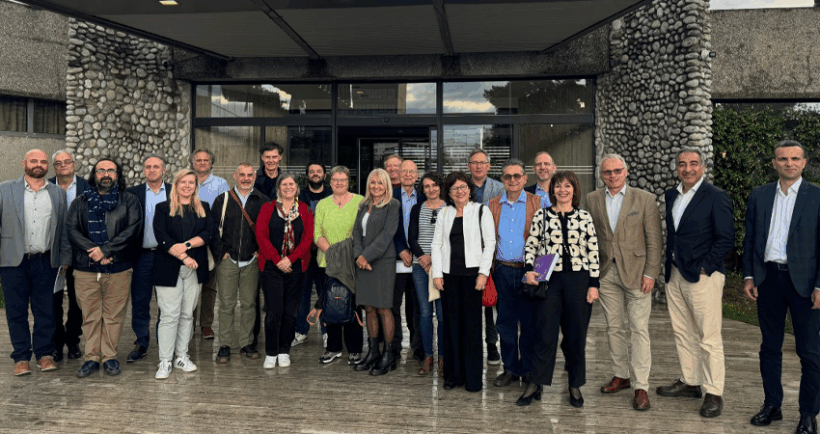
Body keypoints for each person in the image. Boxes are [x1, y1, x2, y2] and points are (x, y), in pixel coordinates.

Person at [743, 140, 820, 434]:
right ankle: (772, 405)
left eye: (795, 159)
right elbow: (751, 238)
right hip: (768, 279)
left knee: (809, 352)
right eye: (783, 158)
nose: (789, 163)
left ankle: (808, 414)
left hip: (805, 284)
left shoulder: (816, 196)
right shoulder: (760, 195)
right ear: (774, 163)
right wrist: (749, 275)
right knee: (769, 347)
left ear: (804, 163)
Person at [657, 148, 733, 418]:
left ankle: (713, 392)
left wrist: (705, 267)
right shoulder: (672, 195)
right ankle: (690, 381)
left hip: (703, 277)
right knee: (682, 332)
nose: (687, 169)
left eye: (693, 164)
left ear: (703, 167)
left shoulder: (716, 196)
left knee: (709, 337)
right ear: (676, 168)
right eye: (682, 164)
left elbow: (726, 238)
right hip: (675, 273)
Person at [585, 154, 662, 411]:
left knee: (639, 329)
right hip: (606, 272)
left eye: (617, 171)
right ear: (601, 175)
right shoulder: (592, 199)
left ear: (626, 171)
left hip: (638, 274)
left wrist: (651, 273)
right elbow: (590, 237)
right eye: (607, 172)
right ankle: (621, 375)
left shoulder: (644, 199)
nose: (613, 176)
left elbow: (654, 240)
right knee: (613, 327)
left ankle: (641, 386)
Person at [521, 171, 600, 407]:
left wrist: (594, 284)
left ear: (574, 190)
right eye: (558, 186)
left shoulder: (584, 217)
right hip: (550, 281)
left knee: (576, 335)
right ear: (552, 190)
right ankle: (535, 382)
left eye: (567, 186)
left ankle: (574, 384)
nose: (562, 190)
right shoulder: (542, 215)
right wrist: (528, 269)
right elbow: (531, 245)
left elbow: (593, 251)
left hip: (579, 281)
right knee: (545, 334)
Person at [66, 158, 142, 378]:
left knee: (113, 316)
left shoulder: (130, 200)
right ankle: (91, 358)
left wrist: (107, 250)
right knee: (90, 316)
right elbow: (71, 230)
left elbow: (133, 229)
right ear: (94, 174)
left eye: (111, 170)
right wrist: (95, 252)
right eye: (101, 170)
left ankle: (109, 357)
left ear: (117, 175)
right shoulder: (80, 201)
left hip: (119, 267)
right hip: (85, 268)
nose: (106, 174)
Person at [0, 149, 71, 376]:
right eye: (33, 161)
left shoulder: (58, 193)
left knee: (46, 310)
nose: (38, 165)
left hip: (46, 262)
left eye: (43, 161)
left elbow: (64, 230)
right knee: (16, 311)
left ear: (47, 166)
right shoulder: (5, 189)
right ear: (24, 164)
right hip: (13, 261)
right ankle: (21, 357)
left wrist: (65, 259)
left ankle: (44, 354)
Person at [431, 171, 495, 392]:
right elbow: (436, 245)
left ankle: (473, 379)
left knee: (472, 327)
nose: (460, 191)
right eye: (455, 188)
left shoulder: (481, 211)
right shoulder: (444, 213)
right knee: (451, 326)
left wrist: (483, 273)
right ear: (448, 193)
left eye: (463, 187)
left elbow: (490, 243)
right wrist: (437, 274)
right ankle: (453, 376)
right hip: (449, 276)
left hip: (473, 278)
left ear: (470, 189)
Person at [152, 169, 214, 379]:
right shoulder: (163, 208)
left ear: (196, 186)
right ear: (176, 185)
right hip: (168, 268)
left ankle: (181, 356)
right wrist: (184, 257)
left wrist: (186, 245)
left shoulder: (203, 208)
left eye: (191, 182)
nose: (187, 186)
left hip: (195, 269)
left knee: (187, 314)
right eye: (183, 182)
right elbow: (161, 236)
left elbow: (208, 233)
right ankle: (165, 361)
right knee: (169, 315)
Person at [487, 159, 541, 388]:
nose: (512, 180)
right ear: (502, 180)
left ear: (525, 178)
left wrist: (539, 273)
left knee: (529, 323)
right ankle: (510, 369)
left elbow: (547, 240)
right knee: (505, 323)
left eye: (517, 176)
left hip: (529, 272)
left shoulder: (537, 203)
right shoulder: (492, 205)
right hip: (502, 270)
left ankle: (528, 370)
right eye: (508, 176)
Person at [212, 163, 269, 364]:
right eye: (242, 175)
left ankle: (247, 343)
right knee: (226, 304)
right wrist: (222, 253)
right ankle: (225, 345)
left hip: (251, 260)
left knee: (249, 304)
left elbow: (268, 230)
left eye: (249, 175)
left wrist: (260, 251)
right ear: (235, 176)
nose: (246, 178)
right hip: (228, 260)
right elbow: (213, 229)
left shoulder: (263, 201)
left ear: (254, 177)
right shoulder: (223, 200)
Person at [256, 173, 313, 369]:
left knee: (290, 312)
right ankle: (271, 352)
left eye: (292, 184)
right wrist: (278, 260)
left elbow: (307, 239)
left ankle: (284, 351)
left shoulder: (305, 210)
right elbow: (261, 236)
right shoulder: (268, 208)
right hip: (271, 266)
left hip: (296, 267)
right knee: (274, 311)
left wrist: (290, 259)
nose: (288, 187)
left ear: (296, 188)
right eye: (284, 184)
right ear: (279, 188)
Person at [352, 168, 400, 376]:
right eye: (373, 182)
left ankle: (388, 355)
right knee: (369, 308)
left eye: (380, 183)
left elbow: (387, 235)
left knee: (383, 308)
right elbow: (355, 233)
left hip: (382, 262)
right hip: (362, 263)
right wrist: (358, 256)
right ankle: (373, 352)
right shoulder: (363, 205)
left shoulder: (392, 205)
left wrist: (366, 256)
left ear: (387, 185)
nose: (376, 186)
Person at [314, 166, 364, 364]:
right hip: (326, 264)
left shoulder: (360, 201)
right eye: (335, 180)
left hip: (352, 264)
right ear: (330, 181)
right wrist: (334, 255)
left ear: (348, 181)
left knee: (352, 305)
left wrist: (345, 256)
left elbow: (363, 231)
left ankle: (355, 349)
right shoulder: (323, 204)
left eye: (343, 180)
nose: (339, 183)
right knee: (330, 305)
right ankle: (333, 348)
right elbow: (317, 234)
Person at [124, 154, 171, 363]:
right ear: (144, 170)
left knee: (166, 302)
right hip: (141, 256)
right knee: (140, 301)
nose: (152, 170)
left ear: (164, 170)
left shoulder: (174, 192)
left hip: (167, 256)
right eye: (148, 167)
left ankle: (164, 343)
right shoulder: (131, 194)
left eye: (156, 167)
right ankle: (141, 342)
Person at [49, 149, 90, 362]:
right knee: (52, 300)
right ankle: (56, 342)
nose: (63, 165)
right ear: (54, 167)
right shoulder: (45, 186)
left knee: (78, 300)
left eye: (67, 162)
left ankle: (73, 340)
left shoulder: (87, 188)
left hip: (80, 253)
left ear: (73, 164)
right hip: (52, 253)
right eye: (59, 163)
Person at [407, 171, 447, 375]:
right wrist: (422, 257)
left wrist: (433, 258)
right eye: (427, 186)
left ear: (440, 187)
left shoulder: (449, 208)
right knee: (424, 313)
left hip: (442, 268)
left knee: (442, 315)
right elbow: (411, 237)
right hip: (420, 268)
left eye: (434, 185)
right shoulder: (417, 208)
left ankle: (443, 357)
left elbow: (450, 238)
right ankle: (428, 356)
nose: (431, 189)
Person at [466, 148, 503, 366]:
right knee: (470, 302)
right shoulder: (462, 187)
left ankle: (491, 345)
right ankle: (472, 345)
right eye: (474, 162)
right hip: (467, 253)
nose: (478, 166)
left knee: (490, 300)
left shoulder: (499, 188)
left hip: (492, 252)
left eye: (482, 163)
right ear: (469, 166)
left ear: (488, 166)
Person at [191, 148, 229, 340]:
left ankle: (206, 324)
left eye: (206, 160)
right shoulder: (186, 180)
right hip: (189, 241)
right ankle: (188, 324)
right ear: (193, 163)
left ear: (211, 163)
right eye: (198, 160)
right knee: (190, 285)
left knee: (209, 285)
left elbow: (223, 212)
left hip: (212, 239)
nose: (202, 163)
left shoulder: (221, 184)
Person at [293, 162, 331, 347]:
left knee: (326, 294)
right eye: (312, 171)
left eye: (319, 171)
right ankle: (301, 331)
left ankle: (327, 332)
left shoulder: (332, 195)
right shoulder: (299, 196)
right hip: (304, 254)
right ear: (307, 175)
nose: (315, 174)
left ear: (325, 175)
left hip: (326, 253)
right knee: (302, 294)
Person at [391, 159, 423, 363]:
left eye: (412, 171)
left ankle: (417, 347)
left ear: (417, 175)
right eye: (405, 171)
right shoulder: (390, 196)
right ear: (398, 174)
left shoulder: (424, 197)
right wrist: (400, 249)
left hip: (419, 261)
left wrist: (417, 252)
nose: (408, 174)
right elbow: (387, 228)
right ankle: (394, 347)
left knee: (417, 307)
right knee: (394, 306)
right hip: (396, 260)